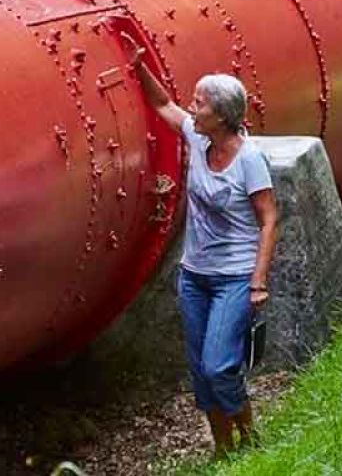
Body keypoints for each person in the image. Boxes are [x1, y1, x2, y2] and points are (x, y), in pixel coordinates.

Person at [119, 30, 279, 454]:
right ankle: (224, 447)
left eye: (201, 103)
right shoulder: (197, 135)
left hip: (234, 277)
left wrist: (258, 281)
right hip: (195, 275)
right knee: (199, 369)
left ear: (222, 116)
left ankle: (250, 435)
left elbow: (268, 218)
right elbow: (162, 104)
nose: (193, 107)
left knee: (219, 366)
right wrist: (139, 67)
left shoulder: (249, 160)